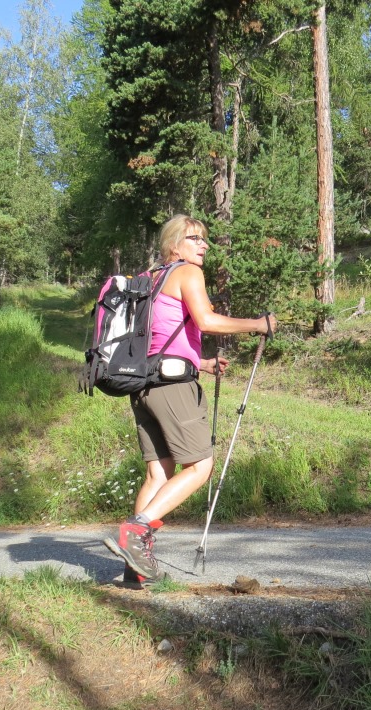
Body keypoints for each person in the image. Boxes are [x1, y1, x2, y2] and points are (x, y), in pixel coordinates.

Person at [102, 214, 276, 584]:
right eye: (195, 238)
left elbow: (159, 337)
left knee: (158, 472)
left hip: (143, 384)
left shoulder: (150, 278)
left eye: (204, 239)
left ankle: (135, 568)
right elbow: (207, 321)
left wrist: (202, 363)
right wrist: (258, 324)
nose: (204, 245)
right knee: (200, 467)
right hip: (172, 387)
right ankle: (138, 530)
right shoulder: (186, 272)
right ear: (174, 244)